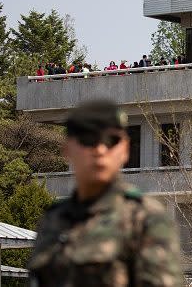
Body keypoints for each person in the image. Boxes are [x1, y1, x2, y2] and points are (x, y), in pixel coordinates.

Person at [27, 100, 183, 286]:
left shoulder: (143, 218)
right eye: (88, 140)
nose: (100, 150)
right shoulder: (52, 219)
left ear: (125, 149)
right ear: (67, 149)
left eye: (111, 140)